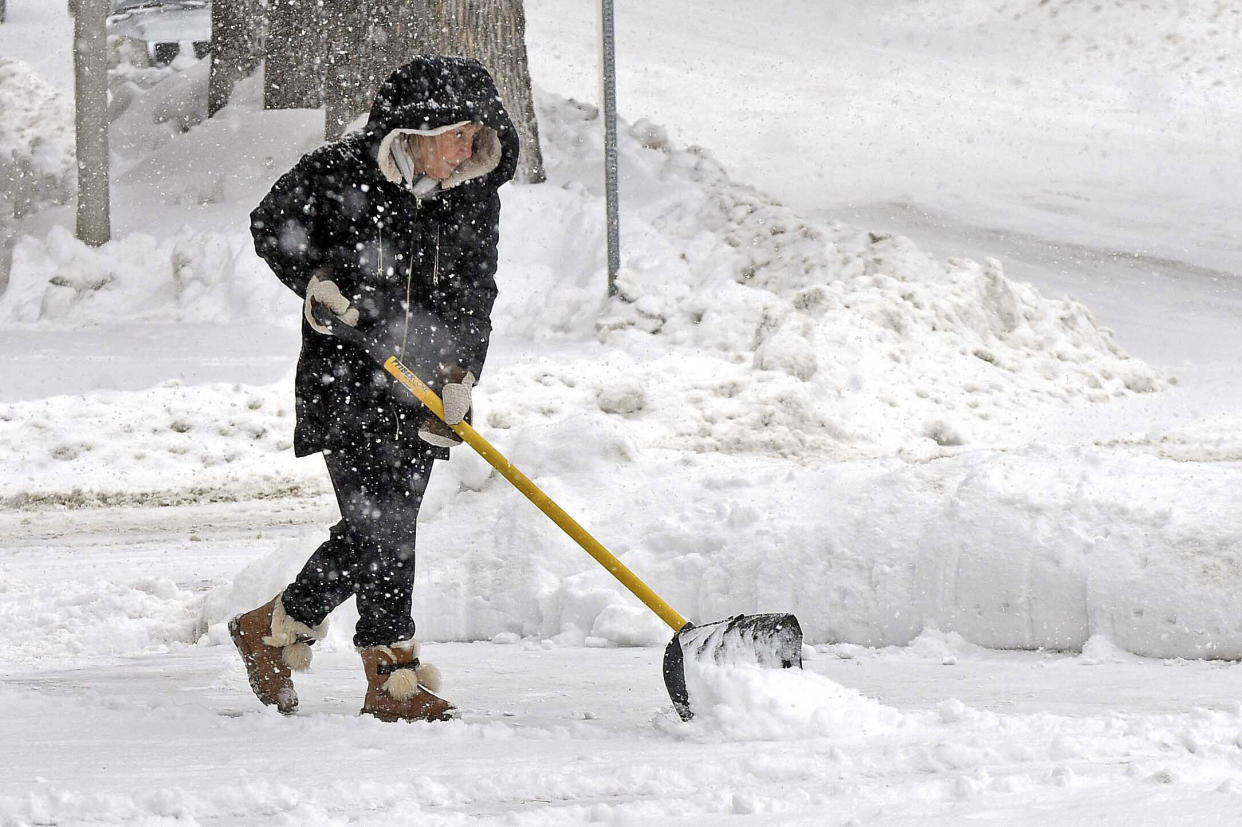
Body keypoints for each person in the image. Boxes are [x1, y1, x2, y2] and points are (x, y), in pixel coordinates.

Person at [231, 56, 519, 722]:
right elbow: (271, 225)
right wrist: (316, 279)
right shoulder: (338, 173)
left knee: (380, 528)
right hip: (348, 377)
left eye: (477, 136)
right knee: (384, 526)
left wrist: (461, 376)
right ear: (420, 129)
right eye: (458, 135)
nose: (468, 151)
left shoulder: (471, 196)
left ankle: (272, 628)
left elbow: (475, 295)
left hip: (419, 387)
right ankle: (392, 675)